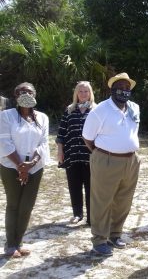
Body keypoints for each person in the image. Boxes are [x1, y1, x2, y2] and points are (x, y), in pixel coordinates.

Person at [82, 73, 141, 256]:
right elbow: (87, 138)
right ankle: (99, 240)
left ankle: (115, 234)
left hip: (131, 161)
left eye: (127, 88)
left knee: (123, 200)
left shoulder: (134, 108)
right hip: (106, 160)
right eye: (120, 87)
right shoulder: (100, 110)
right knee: (102, 201)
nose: (124, 91)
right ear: (112, 89)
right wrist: (104, 153)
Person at [0, 82, 50, 258]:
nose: (25, 94)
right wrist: (20, 166)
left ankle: (19, 241)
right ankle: (10, 244)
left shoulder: (42, 118)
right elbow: (5, 142)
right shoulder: (6, 116)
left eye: (29, 91)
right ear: (15, 95)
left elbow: (43, 143)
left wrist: (32, 163)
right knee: (14, 204)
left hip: (35, 168)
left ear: (34, 95)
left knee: (27, 205)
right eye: (21, 91)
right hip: (10, 166)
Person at [56, 81, 96, 225]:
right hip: (72, 153)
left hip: (90, 155)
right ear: (76, 94)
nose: (83, 94)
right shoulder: (69, 110)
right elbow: (61, 132)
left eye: (86, 91)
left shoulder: (96, 110)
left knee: (92, 187)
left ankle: (92, 217)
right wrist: (60, 151)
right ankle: (77, 214)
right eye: (80, 91)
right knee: (74, 185)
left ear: (90, 93)